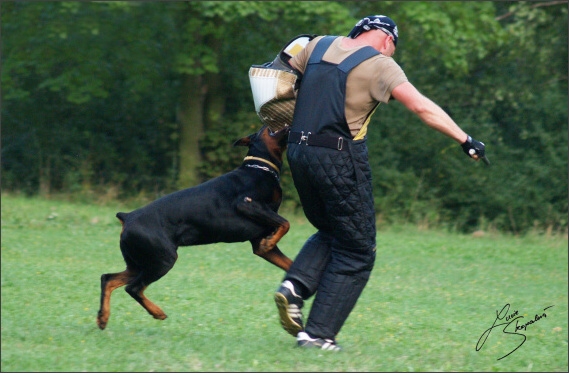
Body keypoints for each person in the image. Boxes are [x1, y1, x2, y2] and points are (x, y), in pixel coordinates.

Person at [273, 15, 487, 351]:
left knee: (333, 229)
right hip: (339, 157)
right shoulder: (381, 65)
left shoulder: (316, 45)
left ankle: (294, 288)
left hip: (298, 152)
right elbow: (420, 106)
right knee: (357, 249)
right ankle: (317, 335)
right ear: (388, 41)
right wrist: (465, 139)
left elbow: (278, 84)